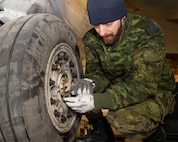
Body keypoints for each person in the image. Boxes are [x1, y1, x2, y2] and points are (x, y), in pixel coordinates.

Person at [64, 0, 176, 141]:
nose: (102, 32)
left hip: (156, 92)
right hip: (120, 86)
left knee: (121, 118)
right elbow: (98, 74)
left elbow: (144, 86)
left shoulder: (146, 34)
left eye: (108, 24)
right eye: (96, 25)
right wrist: (90, 82)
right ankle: (102, 133)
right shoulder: (92, 39)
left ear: (122, 17)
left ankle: (154, 135)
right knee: (83, 91)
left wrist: (97, 101)